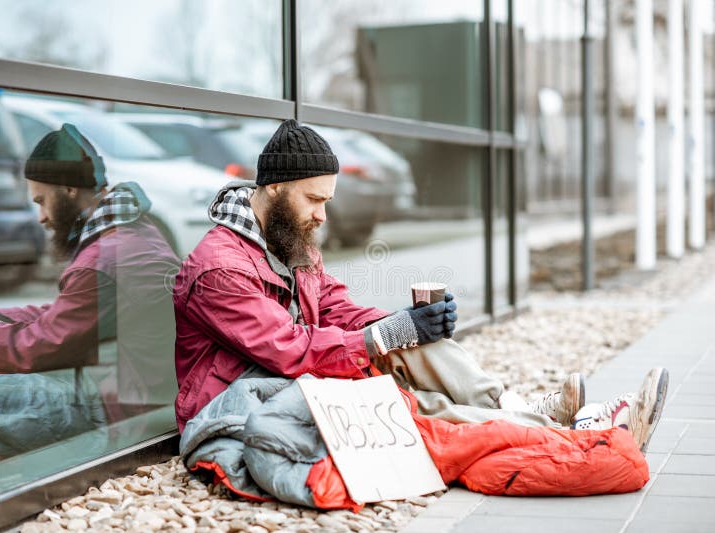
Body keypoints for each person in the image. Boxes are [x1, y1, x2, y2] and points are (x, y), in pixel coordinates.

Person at [173, 119, 668, 452]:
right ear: (276, 188)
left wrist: (410, 326)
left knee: (411, 340)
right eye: (314, 200)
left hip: (296, 377)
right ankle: (579, 433)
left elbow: (335, 307)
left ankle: (515, 408)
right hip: (249, 401)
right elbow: (287, 349)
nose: (322, 216)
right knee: (413, 405)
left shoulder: (289, 240)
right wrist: (384, 336)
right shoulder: (220, 269)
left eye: (327, 200)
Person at [0, 124, 179, 457]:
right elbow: (65, 313)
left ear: (68, 190)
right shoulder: (134, 231)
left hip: (117, 417)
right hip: (135, 397)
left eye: (42, 201)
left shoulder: (102, 259)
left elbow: (42, 346)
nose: (41, 217)